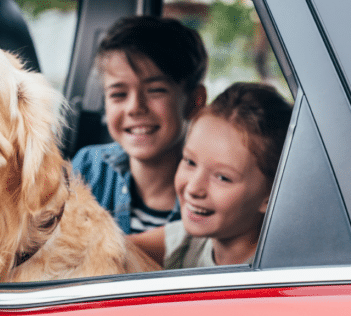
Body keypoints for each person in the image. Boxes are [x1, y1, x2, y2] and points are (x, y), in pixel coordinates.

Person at [128, 82, 292, 268]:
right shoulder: (189, 241)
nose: (193, 188)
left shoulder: (276, 272)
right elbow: (113, 249)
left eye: (222, 177)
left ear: (271, 195)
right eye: (190, 162)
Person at [72, 16, 208, 234]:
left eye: (155, 90)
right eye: (118, 94)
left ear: (195, 101)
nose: (135, 108)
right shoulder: (88, 168)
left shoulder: (210, 195)